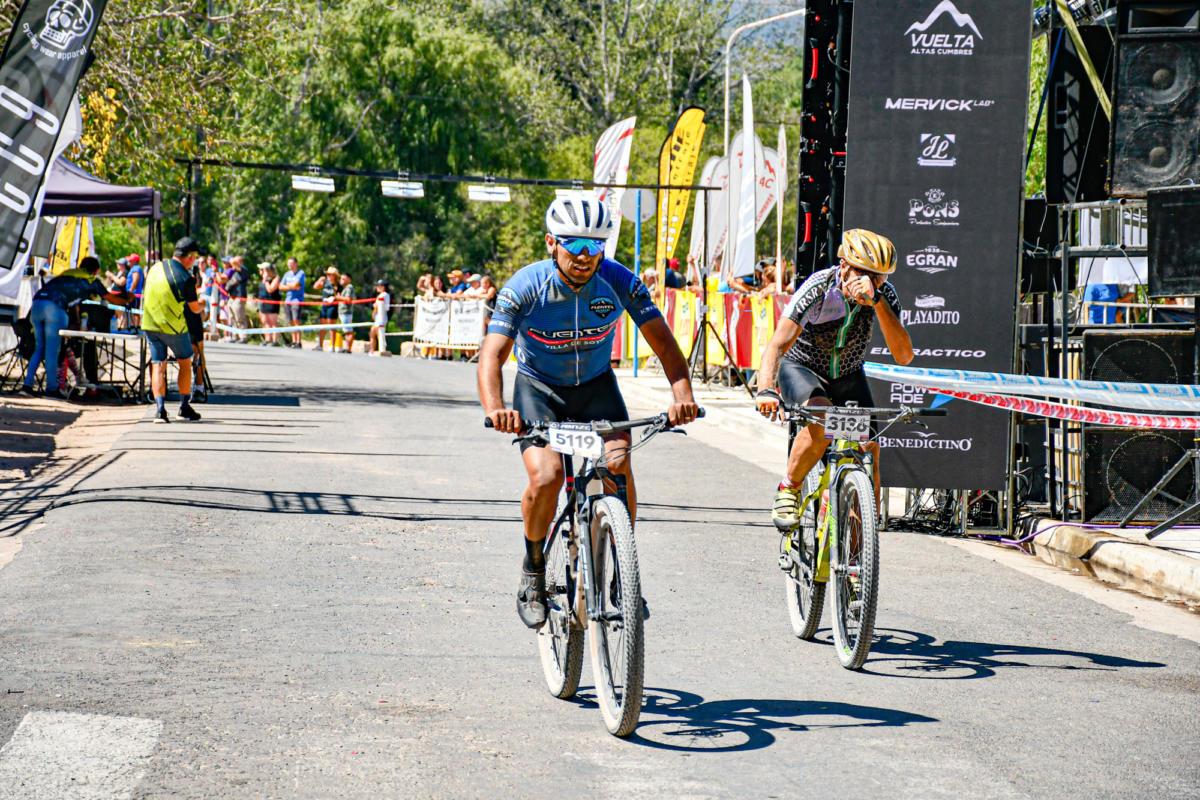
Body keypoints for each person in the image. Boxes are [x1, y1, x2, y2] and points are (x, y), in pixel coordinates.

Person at [478, 196, 700, 628]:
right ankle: (533, 571)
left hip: (596, 387)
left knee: (617, 464)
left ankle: (622, 573)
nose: (585, 256)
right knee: (547, 477)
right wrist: (497, 408)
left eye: (595, 245)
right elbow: (492, 355)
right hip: (540, 390)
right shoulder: (526, 286)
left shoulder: (619, 281)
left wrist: (682, 395)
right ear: (551, 243)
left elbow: (664, 344)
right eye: (575, 244)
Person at [755, 229, 914, 528]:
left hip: (848, 373)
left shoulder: (884, 294)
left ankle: (860, 541)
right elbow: (777, 344)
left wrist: (878, 302)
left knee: (869, 448)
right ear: (844, 266)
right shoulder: (819, 287)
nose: (870, 282)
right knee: (823, 420)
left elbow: (904, 355)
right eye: (864, 274)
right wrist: (766, 389)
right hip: (803, 367)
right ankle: (789, 487)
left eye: (879, 277)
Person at [21, 256, 128, 398]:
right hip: (54, 307)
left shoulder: (67, 273)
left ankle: (27, 386)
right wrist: (128, 298)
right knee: (53, 351)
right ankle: (51, 389)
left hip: (37, 304)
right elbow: (112, 298)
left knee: (39, 348)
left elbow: (74, 303)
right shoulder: (91, 280)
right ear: (96, 271)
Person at [141, 238, 206, 423]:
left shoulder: (155, 267)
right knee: (185, 362)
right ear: (190, 257)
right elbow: (194, 308)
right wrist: (203, 302)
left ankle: (160, 410)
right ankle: (184, 407)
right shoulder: (186, 278)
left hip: (150, 324)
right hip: (174, 327)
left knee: (158, 364)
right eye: (194, 257)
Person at [313, 265, 340, 351]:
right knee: (322, 325)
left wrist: (334, 297)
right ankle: (320, 345)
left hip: (332, 306)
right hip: (324, 305)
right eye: (328, 274)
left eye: (330, 274)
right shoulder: (325, 282)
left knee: (331, 325)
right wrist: (319, 280)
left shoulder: (338, 284)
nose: (328, 276)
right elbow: (315, 287)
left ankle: (332, 346)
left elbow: (339, 296)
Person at [280, 257, 306, 348]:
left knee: (296, 321)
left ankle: (298, 341)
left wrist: (289, 285)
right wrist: (291, 286)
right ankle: (294, 341)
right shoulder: (287, 274)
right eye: (288, 263)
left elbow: (296, 285)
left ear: (296, 264)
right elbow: (280, 286)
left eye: (291, 263)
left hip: (297, 300)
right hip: (288, 300)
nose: (289, 265)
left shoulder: (301, 273)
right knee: (290, 321)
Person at [225, 255, 250, 343]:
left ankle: (243, 337)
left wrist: (233, 261)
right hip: (231, 297)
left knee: (240, 317)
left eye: (236, 261)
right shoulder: (234, 271)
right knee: (232, 318)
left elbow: (237, 266)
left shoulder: (244, 270)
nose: (233, 263)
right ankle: (235, 336)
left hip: (239, 297)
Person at [256, 262, 282, 346]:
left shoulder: (275, 278)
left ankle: (275, 340)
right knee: (265, 321)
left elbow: (270, 290)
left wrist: (266, 280)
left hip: (272, 302)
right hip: (263, 302)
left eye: (262, 270)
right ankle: (267, 339)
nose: (261, 271)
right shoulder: (262, 279)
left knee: (273, 322)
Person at [336, 272, 357, 353]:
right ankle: (347, 347)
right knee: (346, 330)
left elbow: (348, 299)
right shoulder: (345, 288)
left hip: (346, 312)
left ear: (349, 280)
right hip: (344, 312)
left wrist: (338, 297)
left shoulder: (349, 288)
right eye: (341, 279)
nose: (341, 280)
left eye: (343, 279)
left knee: (348, 330)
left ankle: (348, 348)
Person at [370, 279, 390, 355]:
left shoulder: (384, 295)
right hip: (378, 318)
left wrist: (374, 312)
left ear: (383, 287)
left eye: (379, 286)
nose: (377, 287)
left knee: (380, 334)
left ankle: (382, 349)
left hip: (381, 318)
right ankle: (372, 350)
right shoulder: (381, 295)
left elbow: (383, 307)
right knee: (373, 333)